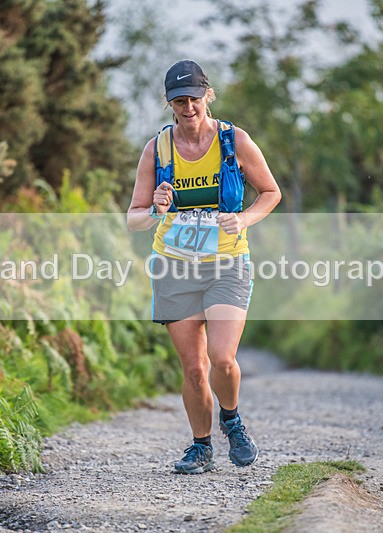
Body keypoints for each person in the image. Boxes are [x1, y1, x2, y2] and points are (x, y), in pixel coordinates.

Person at [127, 59, 281, 474]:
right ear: (169, 103)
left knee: (222, 358)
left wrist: (244, 218)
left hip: (228, 262)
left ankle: (231, 419)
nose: (188, 107)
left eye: (194, 98)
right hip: (174, 267)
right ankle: (200, 447)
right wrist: (157, 209)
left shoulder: (234, 141)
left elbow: (270, 192)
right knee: (194, 369)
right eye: (179, 101)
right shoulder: (156, 149)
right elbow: (134, 218)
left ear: (207, 96)